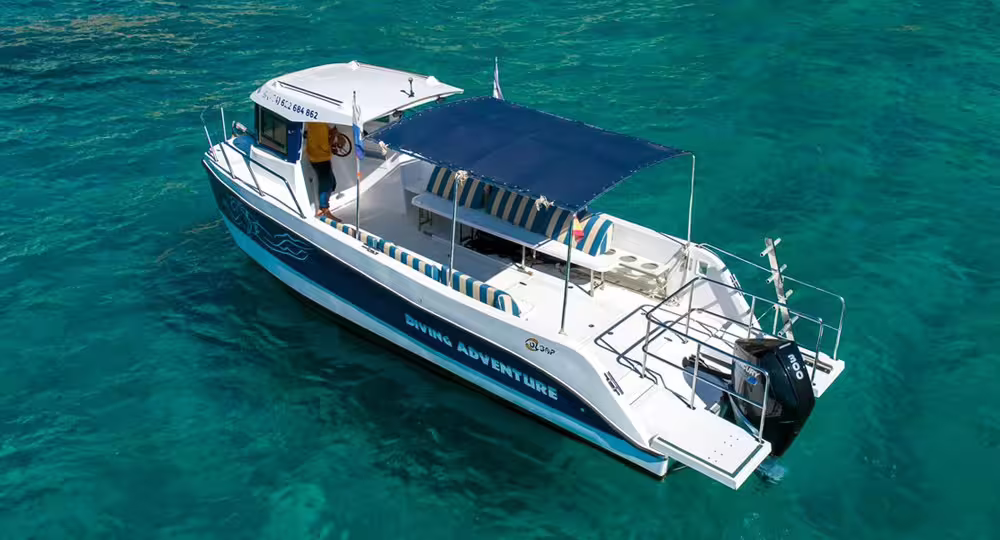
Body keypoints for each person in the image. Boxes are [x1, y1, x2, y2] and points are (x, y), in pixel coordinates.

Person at [306, 122, 339, 219]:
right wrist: (333, 138)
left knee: (331, 183)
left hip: (314, 155)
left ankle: (323, 207)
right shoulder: (326, 121)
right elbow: (333, 132)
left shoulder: (313, 121)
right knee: (327, 183)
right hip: (321, 157)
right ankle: (324, 209)